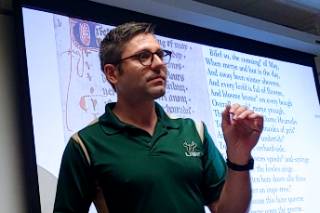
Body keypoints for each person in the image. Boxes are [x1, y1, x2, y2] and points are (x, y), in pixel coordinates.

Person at [53, 22, 264, 213]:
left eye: (160, 55)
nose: (158, 64)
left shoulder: (193, 131)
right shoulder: (85, 145)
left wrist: (239, 157)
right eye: (143, 56)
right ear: (112, 73)